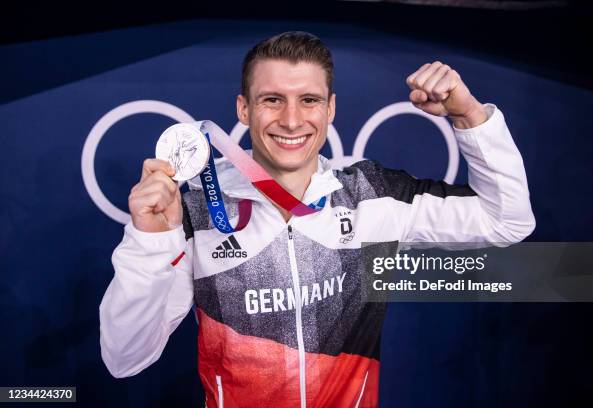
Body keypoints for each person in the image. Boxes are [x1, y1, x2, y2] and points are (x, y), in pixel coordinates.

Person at [99, 31, 535, 407]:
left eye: (308, 100)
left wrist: (469, 115)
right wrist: (151, 243)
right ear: (243, 109)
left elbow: (507, 221)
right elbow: (124, 358)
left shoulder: (372, 194)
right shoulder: (193, 211)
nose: (291, 120)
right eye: (272, 100)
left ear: (329, 109)